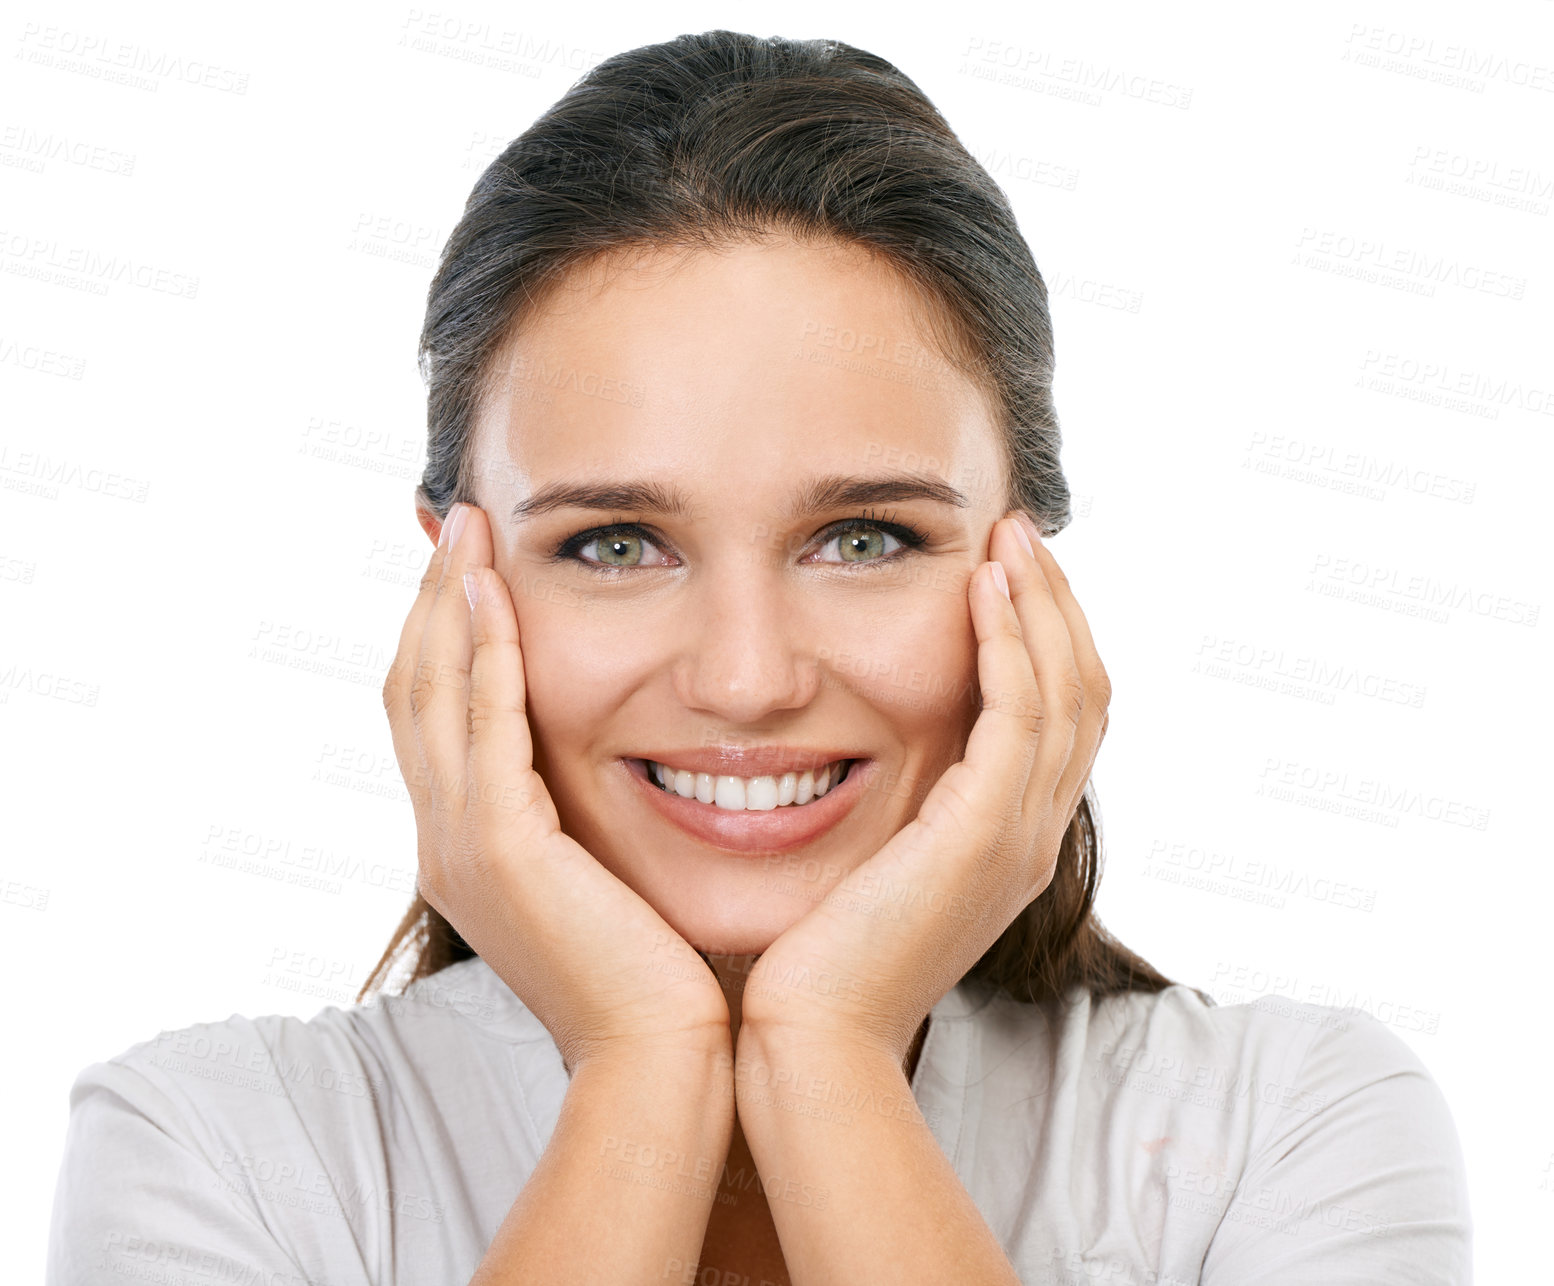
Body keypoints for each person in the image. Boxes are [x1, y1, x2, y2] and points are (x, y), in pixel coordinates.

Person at [45, 30, 1471, 1286]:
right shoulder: (214, 1150)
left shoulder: (1289, 1130)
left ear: (1025, 571)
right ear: (453, 584)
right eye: (613, 542)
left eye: (860, 536)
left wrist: (830, 1052)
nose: (745, 677)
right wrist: (642, 1069)